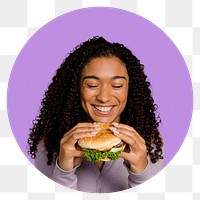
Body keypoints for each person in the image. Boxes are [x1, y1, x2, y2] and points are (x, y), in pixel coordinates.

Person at [27, 36, 164, 193]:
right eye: (92, 85)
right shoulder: (49, 146)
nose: (104, 97)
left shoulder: (150, 144)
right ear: (76, 89)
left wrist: (141, 175)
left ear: (130, 90)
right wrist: (63, 172)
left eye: (117, 85)